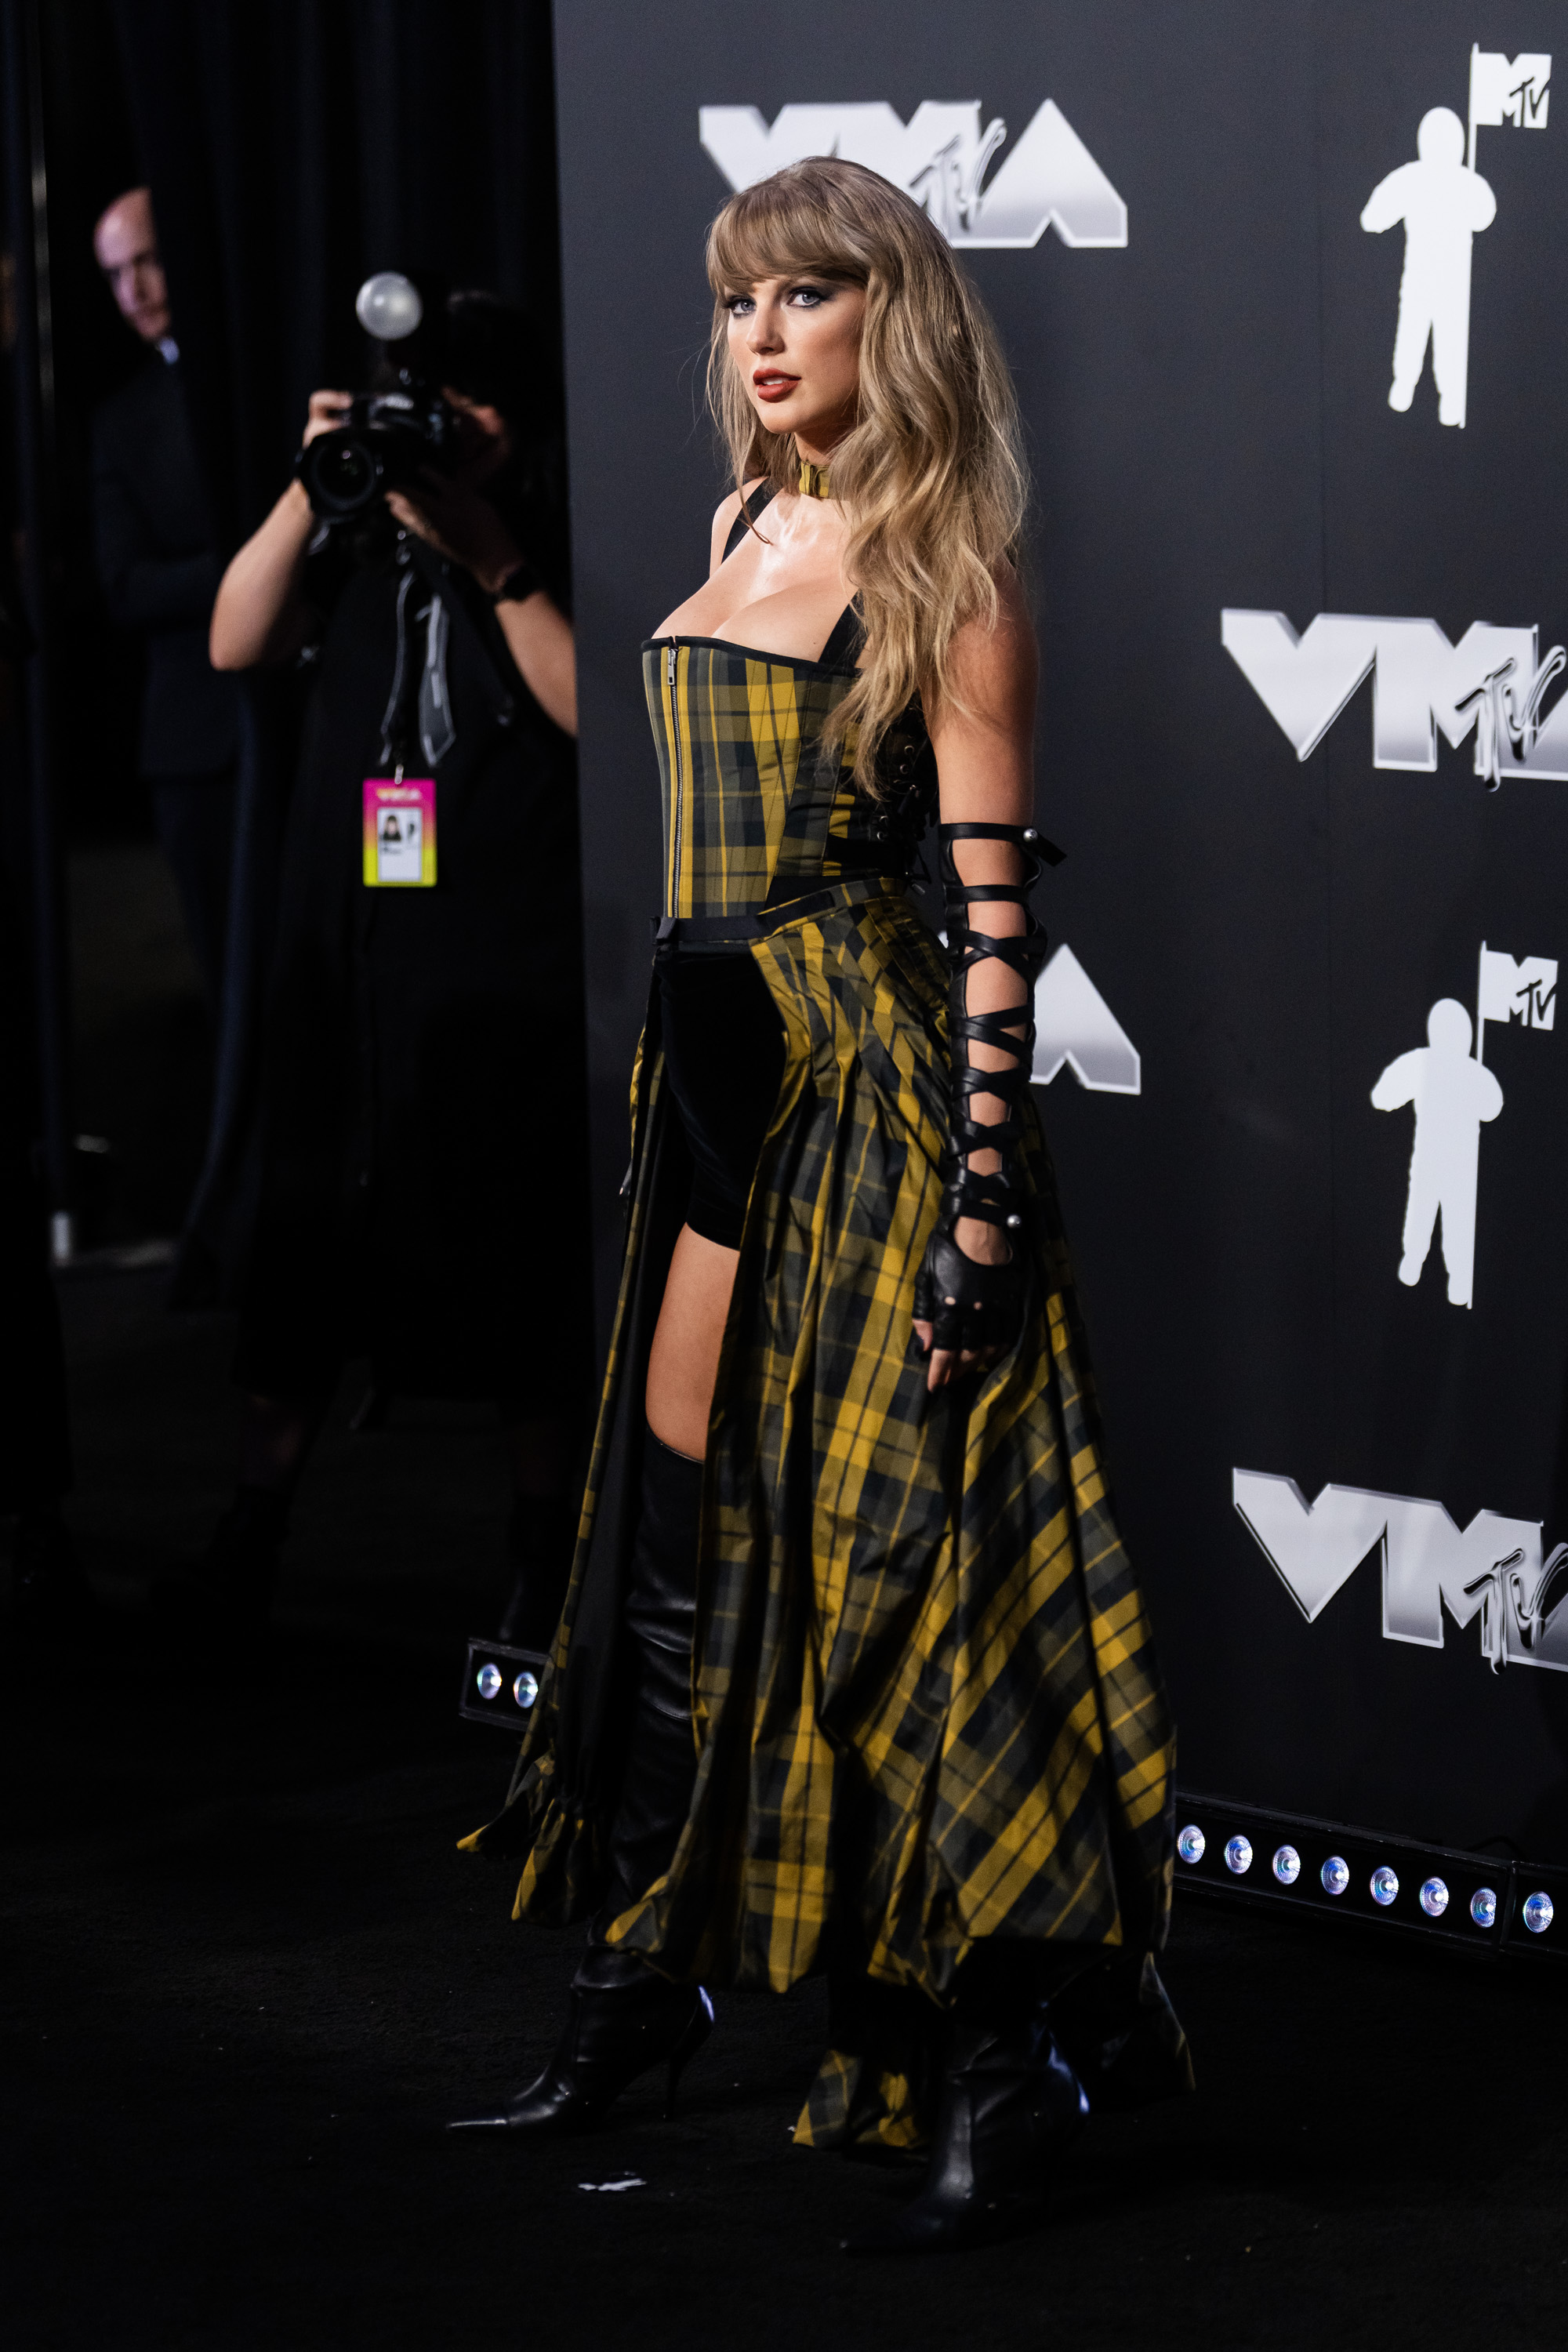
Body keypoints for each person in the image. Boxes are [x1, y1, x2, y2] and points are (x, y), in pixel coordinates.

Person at [452, 160, 1188, 2254]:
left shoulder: (952, 573)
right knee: (681, 1575)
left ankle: (1001, 2052)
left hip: (864, 1102)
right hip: (703, 1096)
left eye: (809, 295)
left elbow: (983, 924)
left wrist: (981, 1204)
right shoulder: (734, 525)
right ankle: (648, 1978)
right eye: (743, 301)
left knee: (902, 1593)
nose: (764, 336)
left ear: (895, 317)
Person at [187, 289, 589, 1636]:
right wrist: (313, 488)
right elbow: (233, 639)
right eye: (428, 398)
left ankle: (542, 1562)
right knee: (305, 1233)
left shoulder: (552, 532)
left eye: (475, 403)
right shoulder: (353, 530)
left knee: (515, 1243)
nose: (449, 426)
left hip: (499, 942)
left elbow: (594, 712)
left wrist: (493, 559)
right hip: (349, 944)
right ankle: (254, 1531)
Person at [91, 187, 241, 1014]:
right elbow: (124, 586)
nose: (134, 292)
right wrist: (249, 569)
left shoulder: (262, 373)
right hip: (194, 745)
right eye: (115, 275)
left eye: (146, 261)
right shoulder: (121, 422)